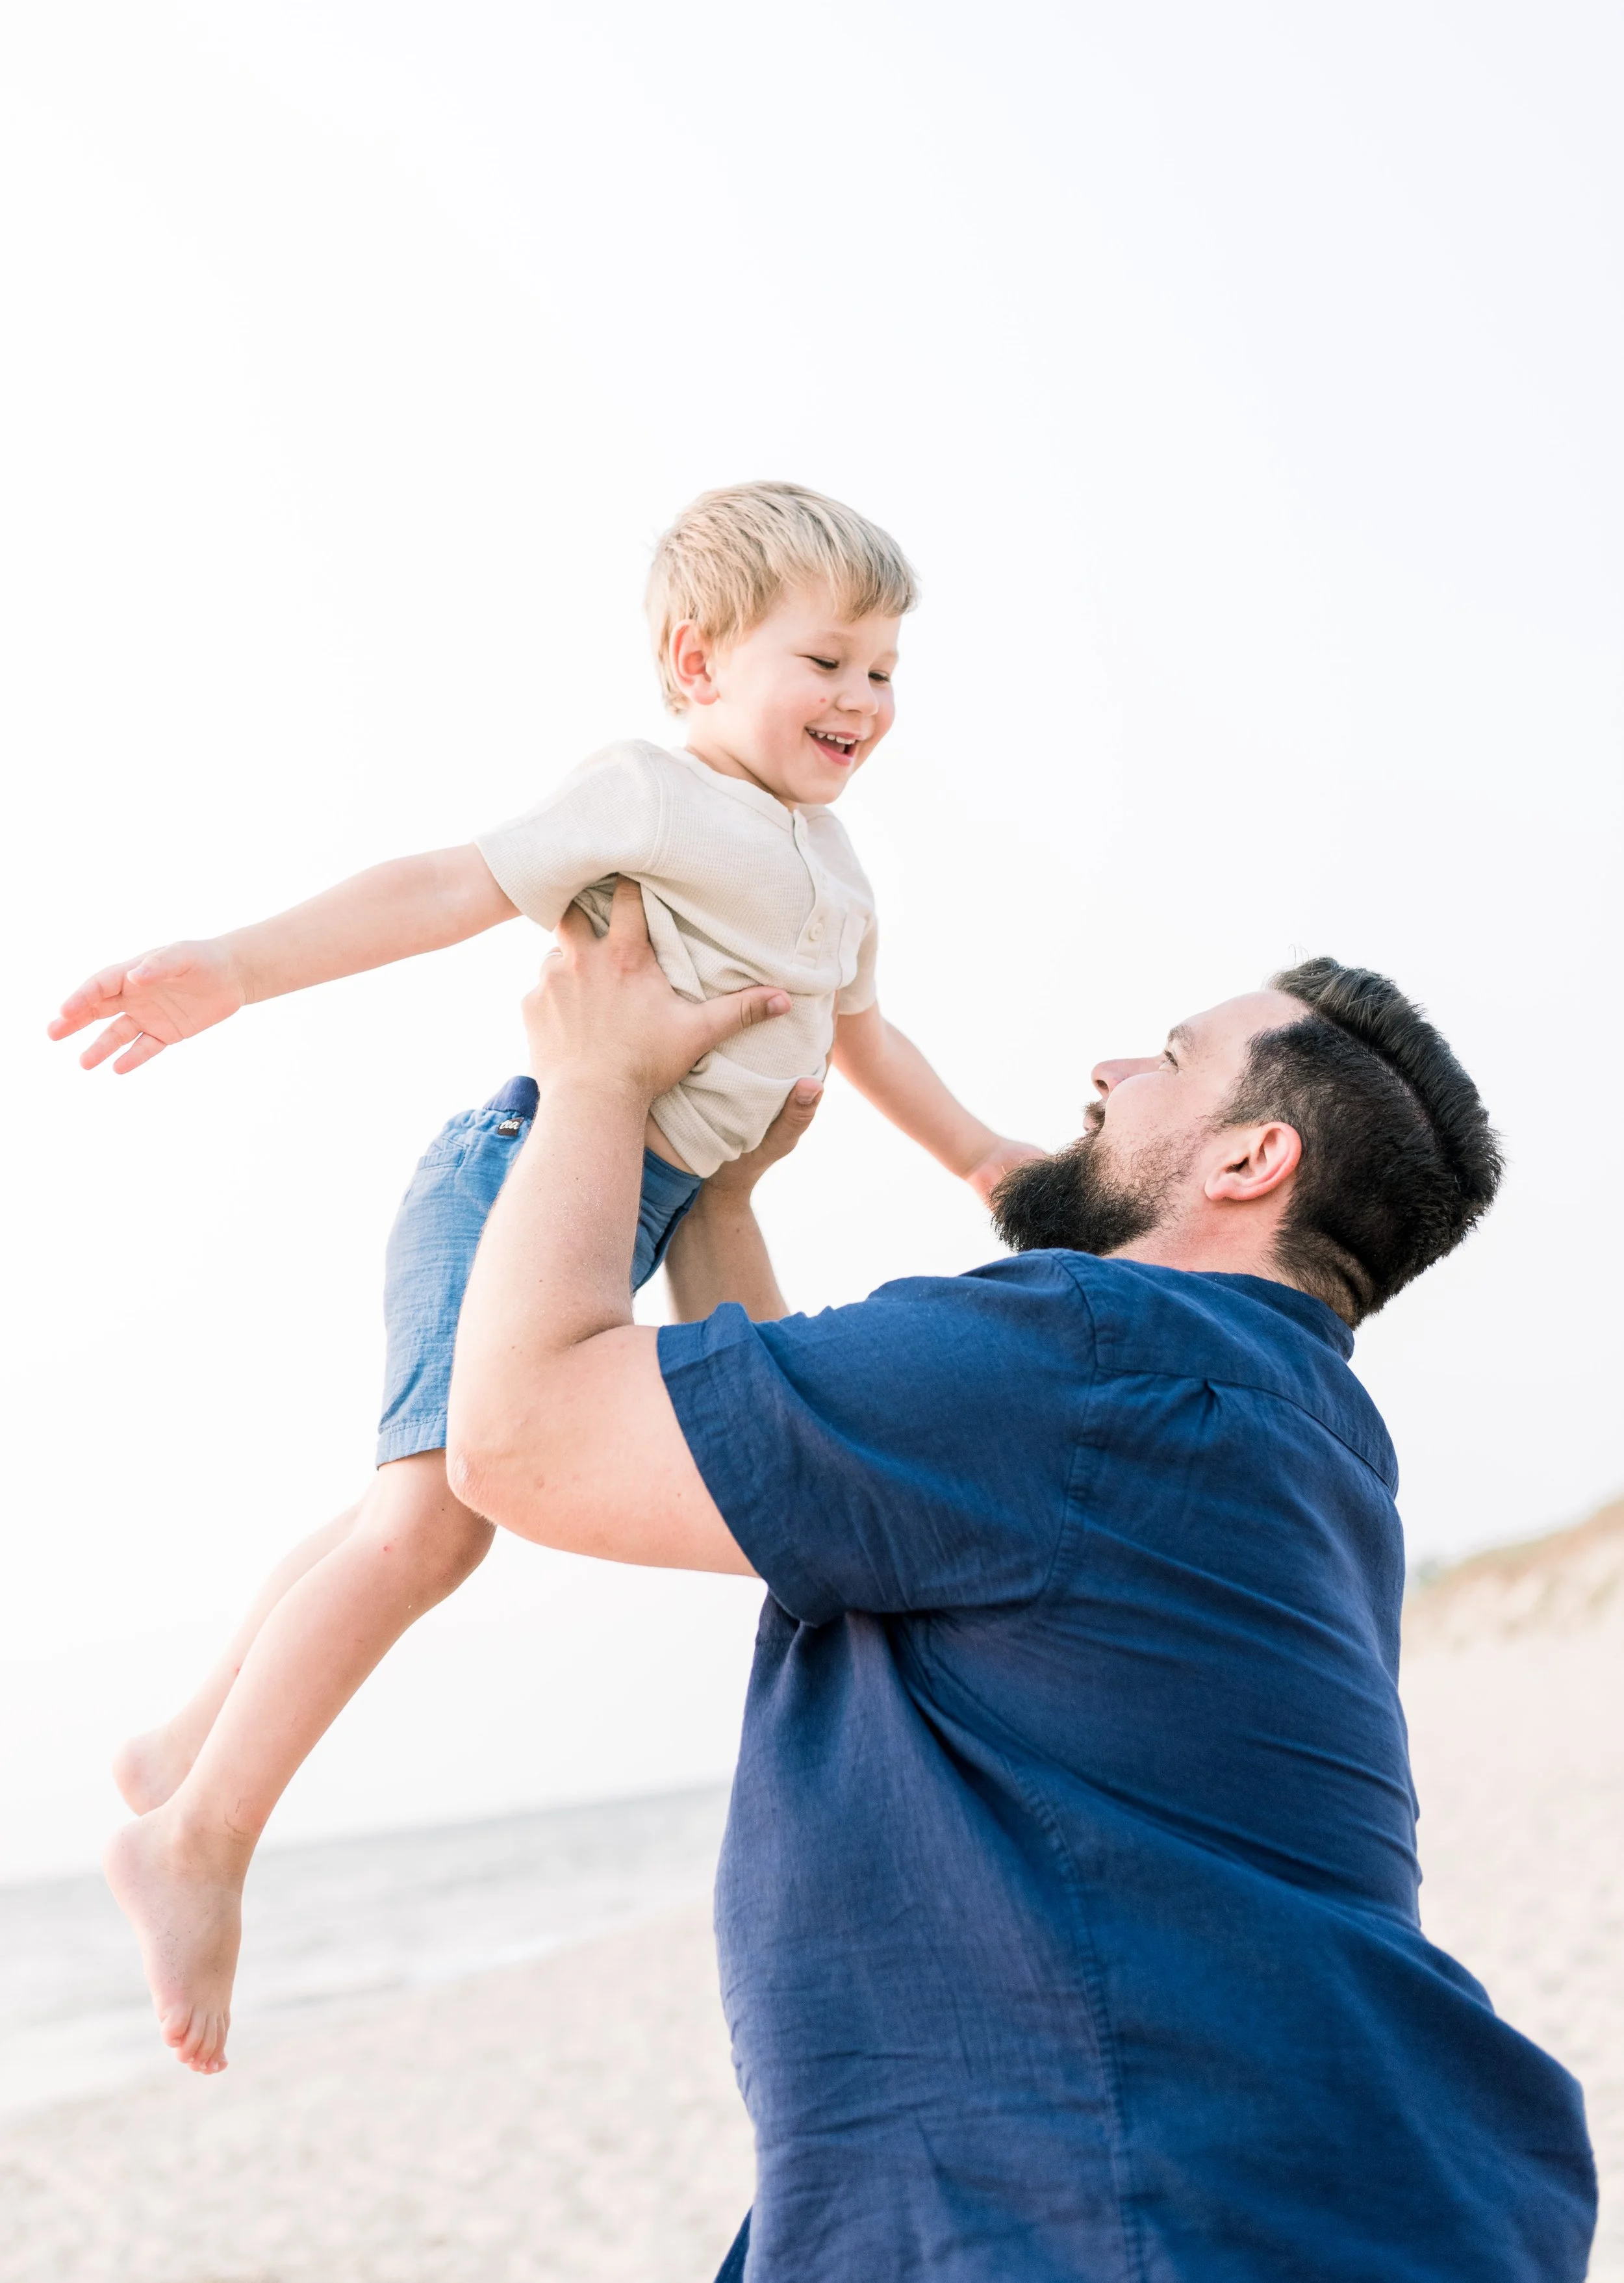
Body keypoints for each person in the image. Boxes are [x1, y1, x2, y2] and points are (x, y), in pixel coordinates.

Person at [446, 883, 1597, 2282]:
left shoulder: (1090, 1351)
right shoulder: (1294, 1441)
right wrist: (723, 1202)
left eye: (1165, 1057)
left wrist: (594, 1083)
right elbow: (811, 1492)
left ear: (1248, 1156)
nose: (1106, 1072)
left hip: (1119, 2215)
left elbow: (523, 1434)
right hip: (1283, 2196)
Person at [46, 481, 1040, 2074]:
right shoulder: (649, 794)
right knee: (434, 1522)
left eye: (885, 670)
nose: (863, 698)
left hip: (643, 1208)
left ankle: (184, 1738)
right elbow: (449, 883)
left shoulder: (837, 871)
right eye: (829, 659)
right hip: (520, 1173)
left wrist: (984, 1158)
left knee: (418, 1495)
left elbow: (863, 1037)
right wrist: (234, 966)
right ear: (696, 661)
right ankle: (202, 1834)